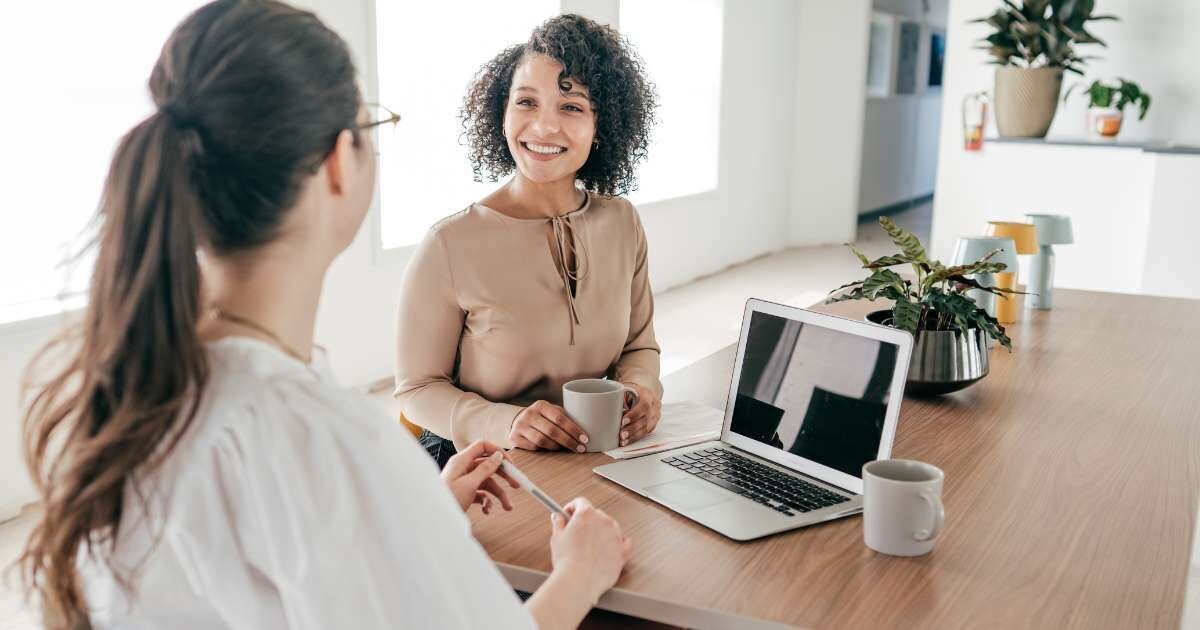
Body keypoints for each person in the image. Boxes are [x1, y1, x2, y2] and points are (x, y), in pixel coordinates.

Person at [17, 2, 630, 628]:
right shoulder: (323, 437)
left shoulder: (139, 387)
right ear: (340, 161)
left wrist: (421, 511)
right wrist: (581, 571)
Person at [396, 14, 664, 467]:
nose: (542, 127)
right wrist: (506, 423)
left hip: (589, 457)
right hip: (476, 464)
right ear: (501, 112)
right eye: (526, 102)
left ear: (603, 125)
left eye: (571, 107)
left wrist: (643, 390)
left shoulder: (622, 222)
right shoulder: (450, 243)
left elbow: (640, 346)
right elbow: (417, 391)